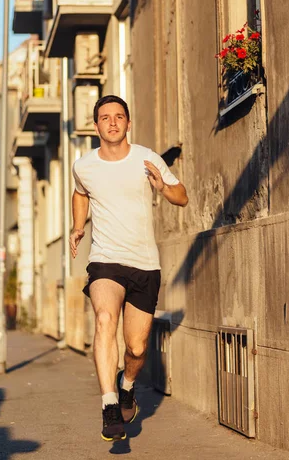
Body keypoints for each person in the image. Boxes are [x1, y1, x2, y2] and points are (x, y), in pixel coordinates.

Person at [70, 95, 188, 442]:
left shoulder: (146, 158)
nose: (112, 122)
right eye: (104, 117)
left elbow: (182, 196)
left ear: (128, 123)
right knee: (105, 319)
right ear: (96, 126)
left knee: (136, 348)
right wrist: (79, 226)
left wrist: (162, 187)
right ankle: (109, 406)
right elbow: (81, 193)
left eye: (118, 116)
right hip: (105, 259)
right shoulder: (84, 165)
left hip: (144, 263)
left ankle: (127, 386)